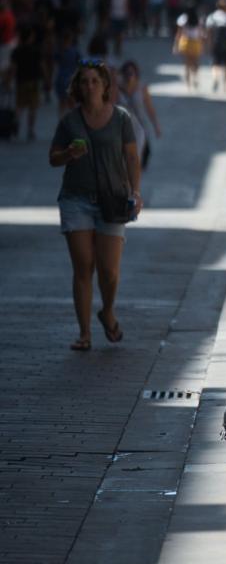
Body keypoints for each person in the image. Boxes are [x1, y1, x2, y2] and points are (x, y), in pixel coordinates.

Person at [48, 59, 142, 351]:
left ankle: (108, 310)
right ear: (78, 87)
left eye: (94, 81)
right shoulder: (70, 121)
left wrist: (135, 191)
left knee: (109, 272)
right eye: (84, 82)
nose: (89, 86)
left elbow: (131, 157)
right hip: (76, 199)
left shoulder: (121, 118)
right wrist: (68, 154)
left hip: (112, 200)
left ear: (104, 87)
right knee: (83, 267)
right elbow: (53, 158)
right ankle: (84, 332)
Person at [118, 60, 161, 169]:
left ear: (136, 74)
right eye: (126, 73)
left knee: (138, 158)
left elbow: (150, 108)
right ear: (122, 74)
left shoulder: (142, 88)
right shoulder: (117, 89)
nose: (129, 76)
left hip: (139, 127)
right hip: (122, 128)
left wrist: (156, 126)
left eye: (131, 73)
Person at [8, 28, 43, 140]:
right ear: (29, 38)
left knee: (19, 106)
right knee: (33, 107)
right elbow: (41, 65)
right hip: (33, 82)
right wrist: (45, 79)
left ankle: (16, 123)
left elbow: (13, 68)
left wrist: (9, 81)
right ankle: (30, 129)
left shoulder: (16, 51)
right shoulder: (36, 50)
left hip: (21, 81)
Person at [205, 0, 226, 94]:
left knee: (215, 64)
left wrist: (208, 45)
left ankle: (216, 78)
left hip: (216, 44)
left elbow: (209, 33)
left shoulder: (212, 17)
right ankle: (225, 86)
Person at [173, 11, 205, 90]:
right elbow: (201, 33)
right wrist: (202, 45)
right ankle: (195, 77)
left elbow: (178, 33)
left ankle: (188, 84)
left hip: (185, 42)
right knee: (195, 62)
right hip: (195, 42)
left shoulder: (182, 19)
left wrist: (175, 45)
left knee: (187, 64)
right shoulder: (198, 18)